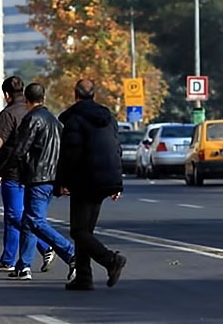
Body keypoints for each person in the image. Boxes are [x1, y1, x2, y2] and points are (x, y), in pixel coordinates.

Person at [0, 76, 57, 273]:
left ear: (6, 95)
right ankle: (9, 257)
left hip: (14, 173)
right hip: (36, 174)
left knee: (15, 215)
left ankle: (46, 246)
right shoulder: (35, 112)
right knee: (22, 215)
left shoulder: (8, 114)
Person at [0, 82, 75, 281]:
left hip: (37, 179)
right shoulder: (55, 122)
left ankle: (71, 253)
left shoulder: (32, 119)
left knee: (34, 221)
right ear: (44, 98)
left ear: (27, 100)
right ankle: (24, 267)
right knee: (30, 221)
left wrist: (2, 171)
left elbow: (20, 150)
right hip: (52, 180)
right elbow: (64, 154)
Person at [56, 79, 127, 291]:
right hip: (104, 179)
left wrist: (61, 182)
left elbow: (69, 155)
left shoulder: (74, 120)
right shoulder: (108, 118)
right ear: (93, 95)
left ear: (75, 94)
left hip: (85, 180)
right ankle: (83, 277)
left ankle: (111, 260)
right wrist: (116, 183)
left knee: (79, 231)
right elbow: (117, 150)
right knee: (86, 230)